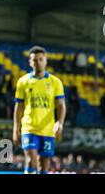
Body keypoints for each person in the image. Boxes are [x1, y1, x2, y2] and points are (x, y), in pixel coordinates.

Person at [13, 46, 66, 174]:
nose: (38, 62)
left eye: (41, 59)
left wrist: (60, 122)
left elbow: (61, 105)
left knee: (44, 166)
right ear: (30, 62)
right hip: (29, 128)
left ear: (46, 61)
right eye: (35, 60)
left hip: (47, 130)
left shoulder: (55, 82)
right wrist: (16, 128)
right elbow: (19, 107)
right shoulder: (23, 82)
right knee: (31, 160)